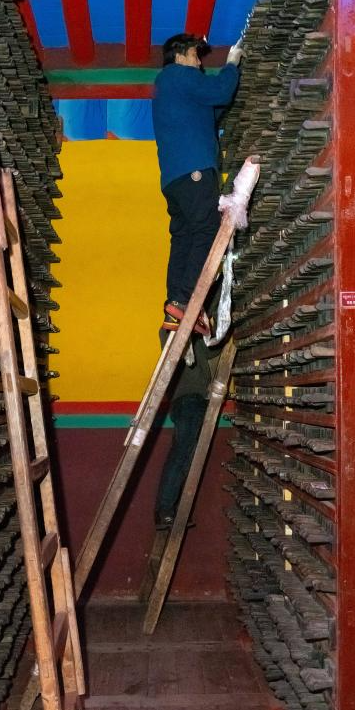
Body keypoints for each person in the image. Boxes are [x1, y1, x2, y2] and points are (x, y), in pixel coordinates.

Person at [152, 32, 243, 333]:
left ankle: (174, 306)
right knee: (206, 229)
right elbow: (219, 92)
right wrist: (231, 65)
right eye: (195, 56)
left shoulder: (169, 89)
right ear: (179, 56)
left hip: (174, 179)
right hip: (194, 170)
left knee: (184, 237)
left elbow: (212, 108)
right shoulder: (178, 74)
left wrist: (227, 89)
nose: (199, 64)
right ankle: (185, 300)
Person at [154, 334, 221, 529]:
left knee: (183, 455)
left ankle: (166, 510)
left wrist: (223, 326)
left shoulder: (195, 338)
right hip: (188, 399)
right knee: (181, 455)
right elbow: (208, 346)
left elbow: (212, 348)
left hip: (190, 400)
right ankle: (165, 511)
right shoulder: (172, 331)